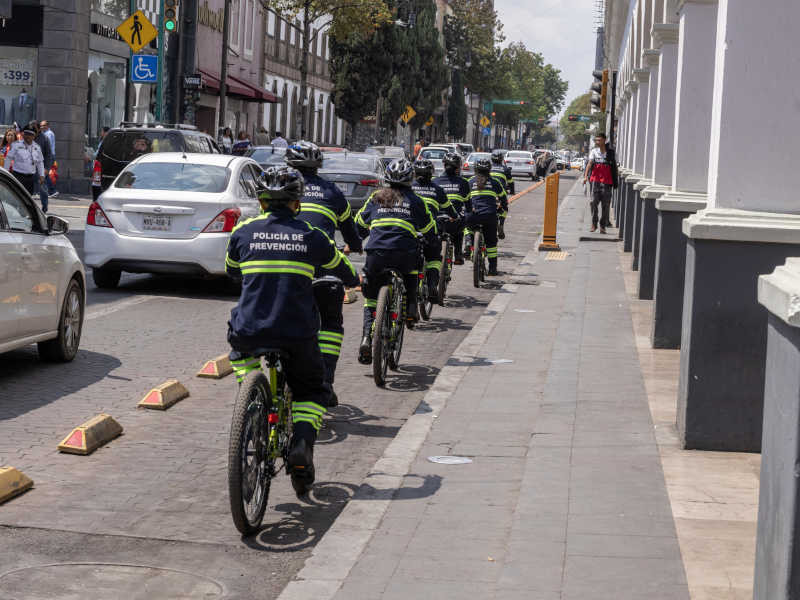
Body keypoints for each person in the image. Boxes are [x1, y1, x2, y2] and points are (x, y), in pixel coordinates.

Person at [225, 166, 359, 494]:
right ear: (296, 203)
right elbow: (344, 270)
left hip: (250, 330)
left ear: (261, 202)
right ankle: (300, 443)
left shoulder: (242, 231)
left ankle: (252, 395)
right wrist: (354, 279)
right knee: (312, 390)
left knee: (241, 352)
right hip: (295, 332)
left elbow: (231, 270)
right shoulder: (311, 236)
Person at [287, 141, 363, 406]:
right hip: (324, 267)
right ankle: (325, 382)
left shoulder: (281, 191)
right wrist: (355, 245)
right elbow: (348, 226)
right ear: (318, 165)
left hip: (288, 270)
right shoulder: (332, 192)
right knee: (331, 323)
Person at [355, 158, 435, 364]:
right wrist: (432, 242)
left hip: (376, 255)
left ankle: (366, 337)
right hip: (403, 254)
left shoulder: (376, 197)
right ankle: (409, 308)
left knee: (371, 299)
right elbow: (429, 229)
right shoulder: (416, 201)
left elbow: (359, 224)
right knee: (412, 267)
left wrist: (356, 240)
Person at [412, 158, 457, 301]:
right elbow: (449, 208)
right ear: (431, 174)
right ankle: (432, 285)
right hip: (431, 230)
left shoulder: (409, 188)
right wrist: (455, 217)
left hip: (410, 230)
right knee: (434, 258)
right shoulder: (437, 189)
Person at [465, 158, 507, 276]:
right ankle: (493, 269)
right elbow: (504, 200)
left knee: (466, 224)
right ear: (489, 170)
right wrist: (501, 210)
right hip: (490, 216)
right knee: (491, 243)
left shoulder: (470, 181)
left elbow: (464, 199)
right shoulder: (495, 183)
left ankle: (468, 241)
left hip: (473, 215)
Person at [433, 152, 471, 264]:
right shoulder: (463, 182)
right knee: (460, 229)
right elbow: (468, 203)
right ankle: (458, 255)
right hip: (455, 221)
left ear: (444, 165)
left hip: (438, 220)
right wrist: (469, 213)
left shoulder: (435, 181)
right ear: (458, 167)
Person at [583, 133, 618, 234]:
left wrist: (615, 181)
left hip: (607, 182)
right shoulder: (594, 151)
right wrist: (585, 177)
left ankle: (603, 225)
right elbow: (589, 164)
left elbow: (614, 167)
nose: (597, 142)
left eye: (599, 140)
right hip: (595, 180)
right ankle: (594, 223)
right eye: (596, 140)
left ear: (604, 140)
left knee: (606, 205)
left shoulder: (610, 153)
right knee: (593, 202)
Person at [6, 124, 45, 198]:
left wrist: (42, 175)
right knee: (16, 197)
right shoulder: (16, 145)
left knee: (27, 199)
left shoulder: (37, 147)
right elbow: (8, 158)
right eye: (26, 134)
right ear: (23, 134)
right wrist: (6, 172)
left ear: (34, 136)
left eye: (30, 134)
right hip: (18, 176)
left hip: (30, 178)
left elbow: (40, 162)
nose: (28, 136)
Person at [489, 150, 511, 240]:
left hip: (488, 192)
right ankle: (501, 223)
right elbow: (510, 182)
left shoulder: (488, 168)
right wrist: (512, 191)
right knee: (505, 208)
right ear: (501, 159)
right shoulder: (505, 169)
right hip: (500, 193)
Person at [33, 122, 54, 212]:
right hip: (28, 167)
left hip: (41, 167)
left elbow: (49, 155)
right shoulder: (28, 136)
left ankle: (44, 207)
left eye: (34, 129)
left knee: (43, 189)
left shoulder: (45, 138)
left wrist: (47, 168)